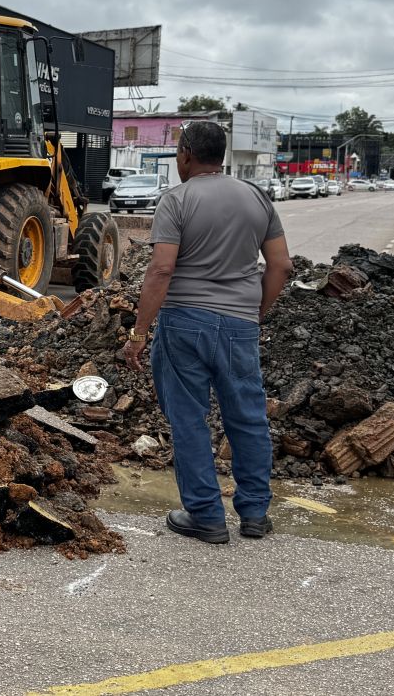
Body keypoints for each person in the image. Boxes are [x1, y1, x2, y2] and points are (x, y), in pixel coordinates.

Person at [118, 120, 291, 545]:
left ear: (185, 154)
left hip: (185, 324)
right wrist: (256, 312)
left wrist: (139, 333)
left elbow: (161, 268)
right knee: (248, 418)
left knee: (189, 419)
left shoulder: (176, 200)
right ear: (224, 156)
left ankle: (206, 516)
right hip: (239, 325)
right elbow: (282, 267)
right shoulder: (257, 198)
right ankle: (254, 515)